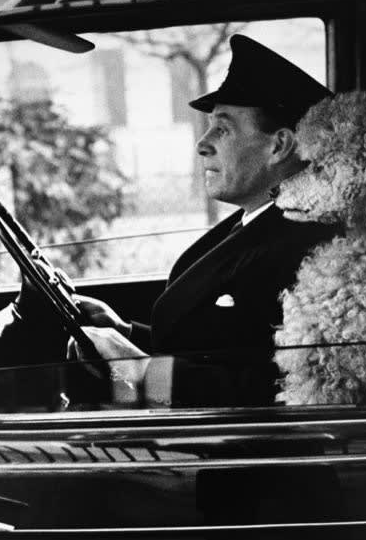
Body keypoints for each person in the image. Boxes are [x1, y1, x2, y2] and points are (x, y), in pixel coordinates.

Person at [67, 34, 334, 407]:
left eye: (222, 129)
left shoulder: (305, 249)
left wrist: (136, 371)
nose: (202, 142)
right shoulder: (259, 221)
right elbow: (213, 347)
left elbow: (261, 392)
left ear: (279, 146)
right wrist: (125, 332)